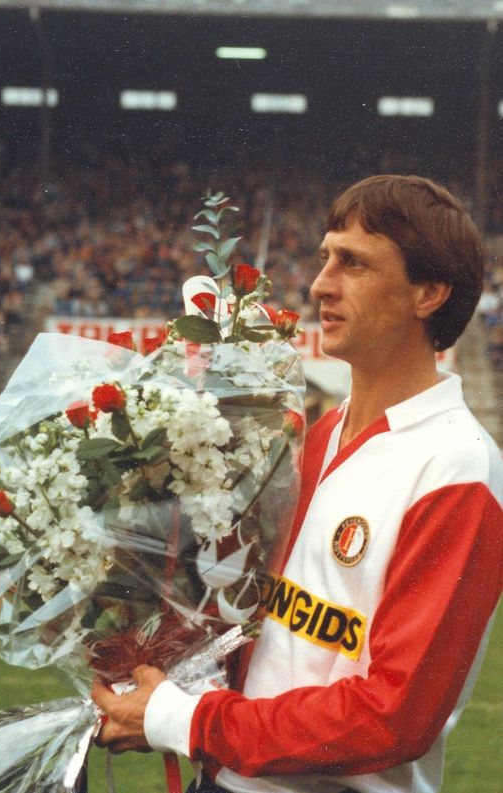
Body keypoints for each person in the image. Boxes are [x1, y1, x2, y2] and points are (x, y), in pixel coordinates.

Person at [92, 175, 503, 793]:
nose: (320, 284)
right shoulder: (316, 434)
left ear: (429, 293)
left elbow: (392, 718)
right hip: (228, 777)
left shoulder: (458, 468)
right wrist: (157, 659)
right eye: (325, 258)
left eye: (354, 263)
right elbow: (262, 618)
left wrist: (185, 719)